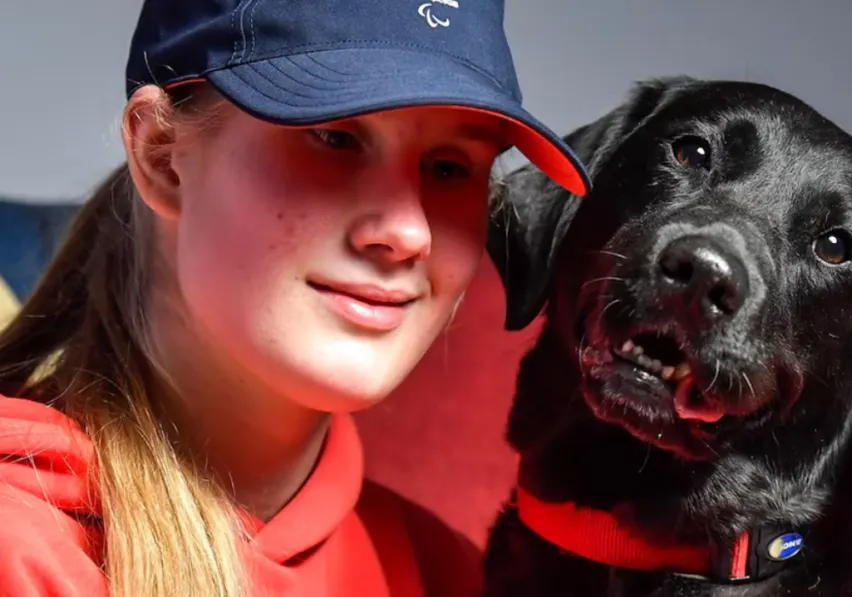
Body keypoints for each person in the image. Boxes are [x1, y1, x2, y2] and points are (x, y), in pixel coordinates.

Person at [0, 1, 590, 595]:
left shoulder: (448, 571)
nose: (409, 232)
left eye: (448, 168)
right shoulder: (19, 547)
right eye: (335, 137)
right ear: (161, 156)